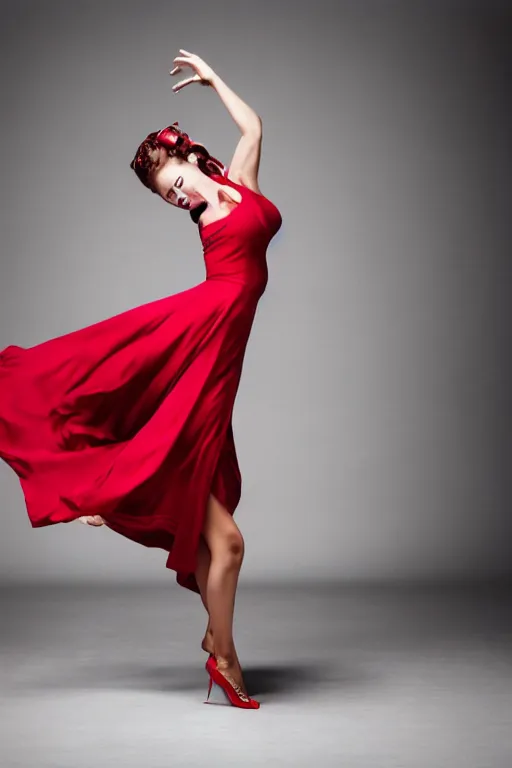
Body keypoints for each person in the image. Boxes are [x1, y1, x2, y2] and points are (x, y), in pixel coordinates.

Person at [0, 50, 282, 709]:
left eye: (173, 181)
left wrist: (215, 81)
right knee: (118, 373)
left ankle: (220, 651)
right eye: (165, 198)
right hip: (201, 342)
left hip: (221, 365)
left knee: (226, 545)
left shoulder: (239, 188)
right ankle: (222, 653)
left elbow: (255, 129)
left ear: (187, 156)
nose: (176, 197)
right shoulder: (212, 221)